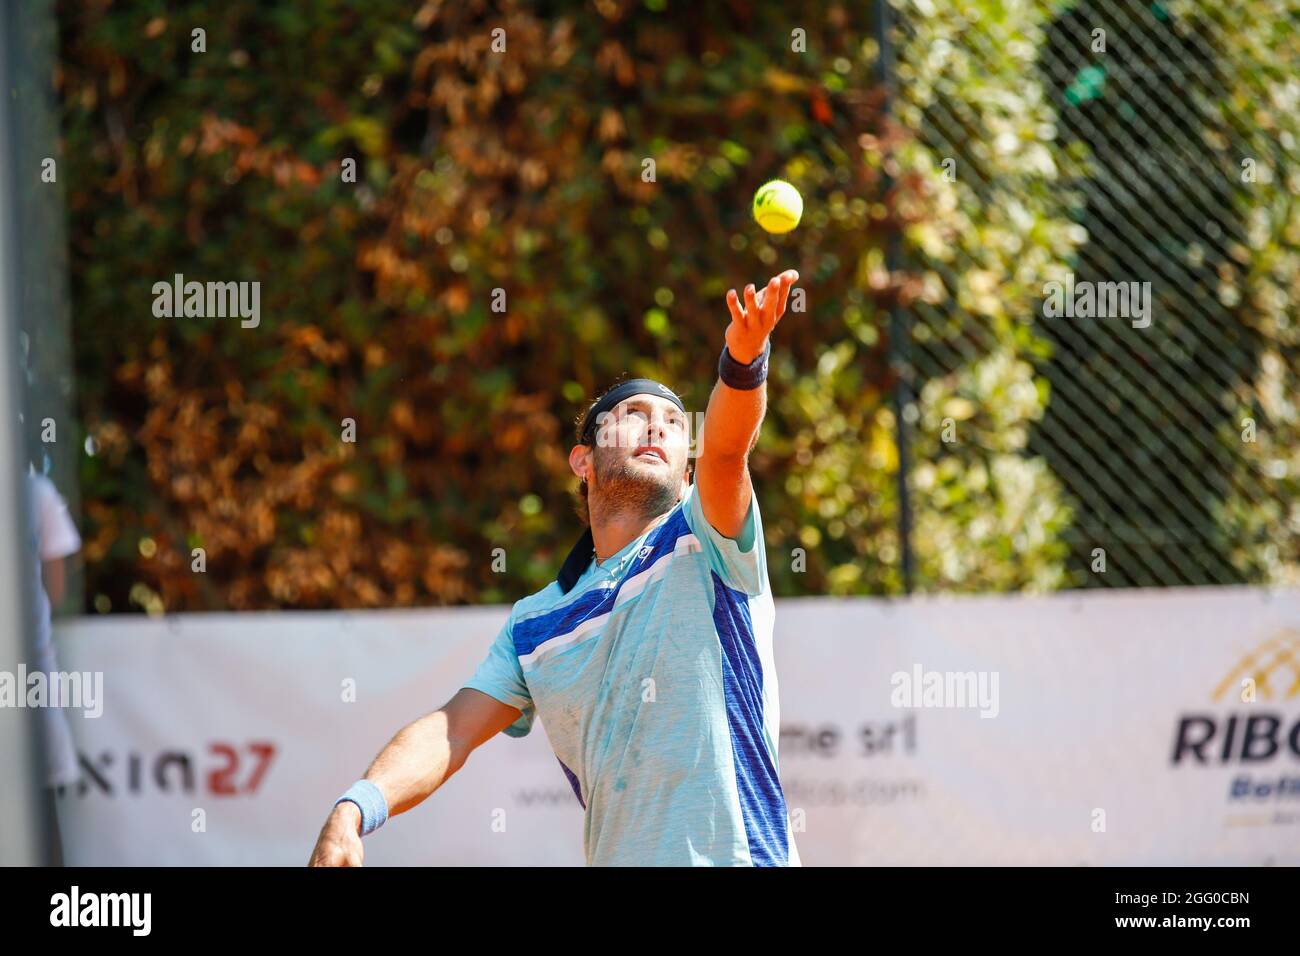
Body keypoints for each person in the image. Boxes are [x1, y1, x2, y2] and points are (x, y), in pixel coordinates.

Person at [309, 269, 801, 866]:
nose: (658, 426)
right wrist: (354, 807)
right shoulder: (535, 623)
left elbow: (727, 447)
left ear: (688, 474)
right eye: (634, 413)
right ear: (583, 460)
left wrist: (743, 360)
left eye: (675, 424)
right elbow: (452, 731)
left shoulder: (708, 537)